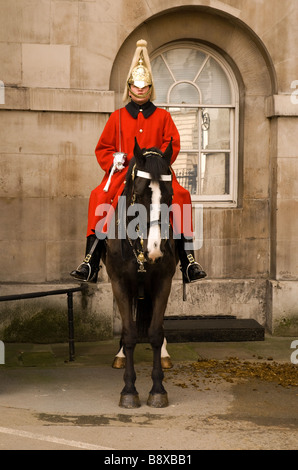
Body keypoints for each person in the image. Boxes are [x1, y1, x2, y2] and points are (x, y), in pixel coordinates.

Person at [70, 39, 206, 284]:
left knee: (182, 196)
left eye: (145, 87)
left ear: (150, 88)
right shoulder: (118, 117)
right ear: (130, 87)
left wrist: (158, 160)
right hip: (125, 173)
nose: (140, 91)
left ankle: (188, 260)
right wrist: (114, 158)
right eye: (136, 86)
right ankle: (91, 259)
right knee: (99, 196)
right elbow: (103, 147)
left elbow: (172, 143)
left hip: (157, 173)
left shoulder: (163, 116)